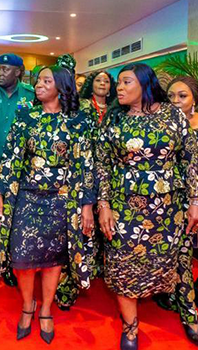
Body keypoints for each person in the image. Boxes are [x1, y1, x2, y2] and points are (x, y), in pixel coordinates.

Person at [0, 65, 95, 344]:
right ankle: (28, 305)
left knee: (52, 261)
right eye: (38, 80)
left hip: (62, 201)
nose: (38, 85)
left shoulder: (78, 121)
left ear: (61, 87)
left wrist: (86, 205)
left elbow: (86, 165)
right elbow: (11, 157)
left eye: (46, 81)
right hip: (27, 197)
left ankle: (46, 308)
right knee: (23, 258)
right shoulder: (26, 116)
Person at [95, 63, 198, 350]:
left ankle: (186, 314)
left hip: (168, 207)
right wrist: (103, 205)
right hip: (123, 206)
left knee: (170, 262)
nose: (119, 87)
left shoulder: (173, 116)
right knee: (122, 264)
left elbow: (190, 160)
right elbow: (102, 165)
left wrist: (195, 201)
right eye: (119, 82)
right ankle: (130, 328)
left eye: (127, 82)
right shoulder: (114, 119)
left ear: (144, 83)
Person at [55, 69, 117, 310]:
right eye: (99, 80)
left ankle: (96, 273)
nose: (103, 83)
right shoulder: (79, 107)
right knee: (82, 230)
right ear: (91, 84)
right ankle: (69, 283)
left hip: (110, 174)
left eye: (107, 81)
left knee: (106, 227)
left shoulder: (117, 109)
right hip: (83, 172)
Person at [150, 75, 198, 344]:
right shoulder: (163, 126)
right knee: (179, 254)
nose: (177, 101)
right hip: (171, 201)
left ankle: (186, 307)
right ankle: (184, 308)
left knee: (185, 255)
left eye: (183, 96)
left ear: (194, 99)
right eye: (171, 96)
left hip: (193, 199)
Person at [0, 53, 35, 285]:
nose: (0, 73)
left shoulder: (31, 96)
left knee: (16, 217)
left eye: (6, 69)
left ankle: (11, 262)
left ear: (18, 72)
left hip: (21, 168)